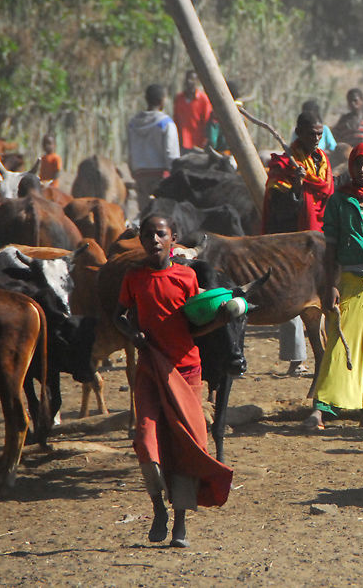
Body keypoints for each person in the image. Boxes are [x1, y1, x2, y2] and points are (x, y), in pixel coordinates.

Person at [114, 214, 234, 548]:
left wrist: (220, 320)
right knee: (146, 440)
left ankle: (180, 520)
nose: (154, 239)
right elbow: (118, 315)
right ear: (141, 240)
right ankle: (158, 509)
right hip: (150, 367)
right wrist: (132, 334)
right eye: (148, 234)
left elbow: (195, 327)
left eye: (160, 234)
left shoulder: (186, 277)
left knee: (185, 446)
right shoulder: (134, 277)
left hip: (185, 369)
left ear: (173, 238)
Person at [300, 143, 363, 431]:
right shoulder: (338, 201)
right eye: (356, 164)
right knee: (337, 345)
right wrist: (331, 285)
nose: (361, 170)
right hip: (350, 282)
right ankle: (320, 409)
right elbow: (330, 248)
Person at [261, 111, 334, 376]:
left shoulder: (322, 159)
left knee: (321, 296)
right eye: (311, 133)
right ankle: (296, 359)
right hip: (292, 240)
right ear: (298, 132)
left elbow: (328, 195)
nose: (316, 138)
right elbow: (279, 209)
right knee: (293, 297)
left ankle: (326, 353)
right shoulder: (283, 164)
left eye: (319, 133)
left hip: (321, 239)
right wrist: (296, 184)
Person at [127, 83, 180, 212]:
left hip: (140, 175)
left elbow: (130, 151)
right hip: (161, 177)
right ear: (162, 100)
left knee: (145, 213)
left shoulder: (133, 123)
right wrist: (176, 174)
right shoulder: (166, 123)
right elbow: (171, 153)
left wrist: (133, 170)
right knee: (162, 214)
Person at [173, 70, 213, 154]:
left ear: (197, 81)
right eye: (187, 79)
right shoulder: (179, 98)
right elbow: (176, 119)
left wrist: (206, 141)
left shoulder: (203, 99)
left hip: (198, 144)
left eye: (192, 79)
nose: (189, 81)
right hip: (182, 143)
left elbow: (207, 121)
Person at [204, 79, 242, 155]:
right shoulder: (242, 114)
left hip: (221, 155)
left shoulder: (217, 114)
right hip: (239, 155)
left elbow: (213, 141)